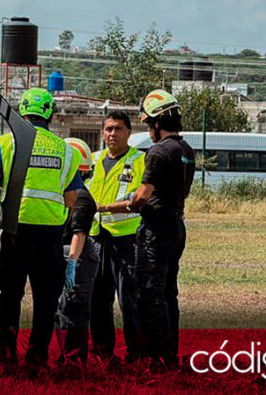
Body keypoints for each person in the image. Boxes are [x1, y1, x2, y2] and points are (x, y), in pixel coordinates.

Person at [0, 88, 84, 372]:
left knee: (10, 296)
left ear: (21, 113)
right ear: (50, 115)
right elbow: (71, 198)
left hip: (15, 232)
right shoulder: (66, 150)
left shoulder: (5, 143)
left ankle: (5, 355)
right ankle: (37, 359)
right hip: (50, 236)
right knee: (45, 300)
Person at [105, 89, 195, 369]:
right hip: (176, 226)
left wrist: (109, 207)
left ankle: (155, 358)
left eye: (148, 124)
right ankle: (169, 354)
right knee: (168, 293)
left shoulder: (158, 152)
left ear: (157, 122)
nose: (148, 129)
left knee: (148, 293)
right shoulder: (186, 150)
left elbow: (142, 196)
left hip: (155, 230)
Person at [88, 111, 146, 363]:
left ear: (129, 133)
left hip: (127, 238)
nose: (112, 134)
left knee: (129, 301)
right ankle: (103, 354)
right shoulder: (93, 159)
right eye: (108, 128)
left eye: (119, 129)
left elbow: (138, 201)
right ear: (102, 132)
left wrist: (105, 208)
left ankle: (137, 354)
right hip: (96, 238)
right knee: (97, 300)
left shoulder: (140, 160)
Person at [56, 138, 98, 367]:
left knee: (74, 307)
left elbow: (79, 234)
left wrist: (72, 264)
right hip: (72, 253)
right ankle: (67, 357)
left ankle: (74, 361)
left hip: (78, 255)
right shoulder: (72, 192)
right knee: (63, 309)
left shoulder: (81, 197)